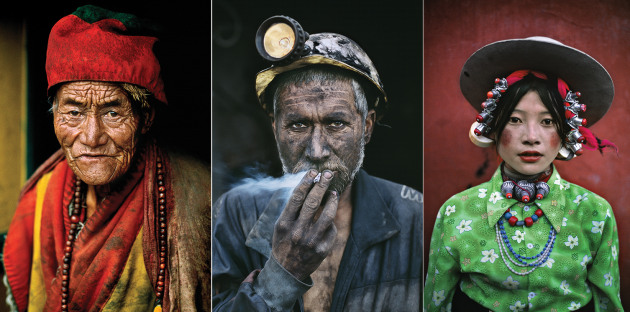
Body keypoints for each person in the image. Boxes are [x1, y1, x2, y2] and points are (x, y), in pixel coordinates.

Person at [2, 5, 211, 312]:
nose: (91, 137)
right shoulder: (42, 195)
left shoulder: (200, 198)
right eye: (73, 112)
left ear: (145, 118)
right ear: (54, 115)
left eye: (113, 112)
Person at [212, 16, 422, 311]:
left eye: (336, 123)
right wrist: (283, 273)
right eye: (297, 125)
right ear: (275, 129)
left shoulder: (415, 215)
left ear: (367, 127)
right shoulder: (234, 212)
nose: (316, 149)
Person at [424, 37, 622, 311]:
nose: (531, 137)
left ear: (566, 132)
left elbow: (607, 303)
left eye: (548, 122)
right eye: (515, 120)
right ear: (493, 128)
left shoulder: (595, 213)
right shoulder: (456, 212)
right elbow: (437, 302)